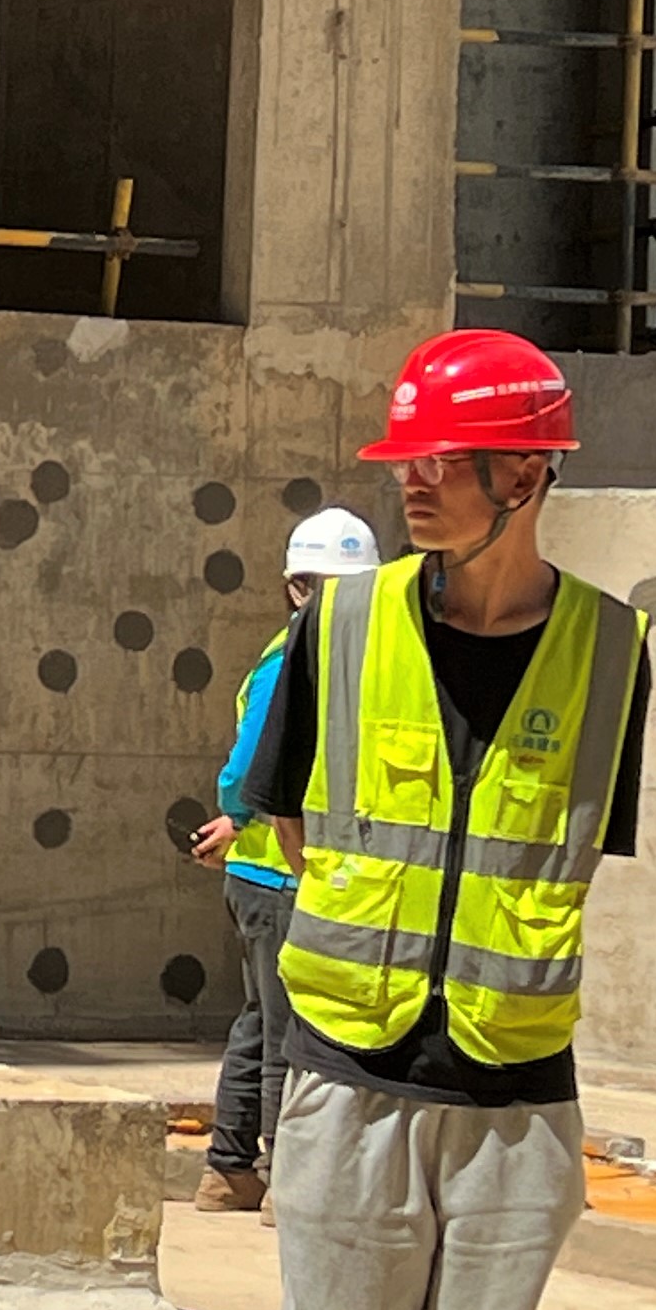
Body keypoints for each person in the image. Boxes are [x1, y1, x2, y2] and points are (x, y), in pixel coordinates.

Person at [250, 331, 650, 1310]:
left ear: (523, 476)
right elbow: (285, 810)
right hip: (348, 1061)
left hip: (516, 1076)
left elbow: (578, 843)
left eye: (441, 461)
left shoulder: (609, 650)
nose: (411, 483)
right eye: (408, 460)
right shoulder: (339, 626)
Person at [182, 508, 384, 1212]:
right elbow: (251, 766)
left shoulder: (325, 656)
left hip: (271, 873)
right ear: (296, 589)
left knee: (259, 1021)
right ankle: (281, 1179)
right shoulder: (294, 659)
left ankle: (230, 1169)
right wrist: (239, 818)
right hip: (280, 875)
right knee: (285, 1034)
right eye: (321, 587)